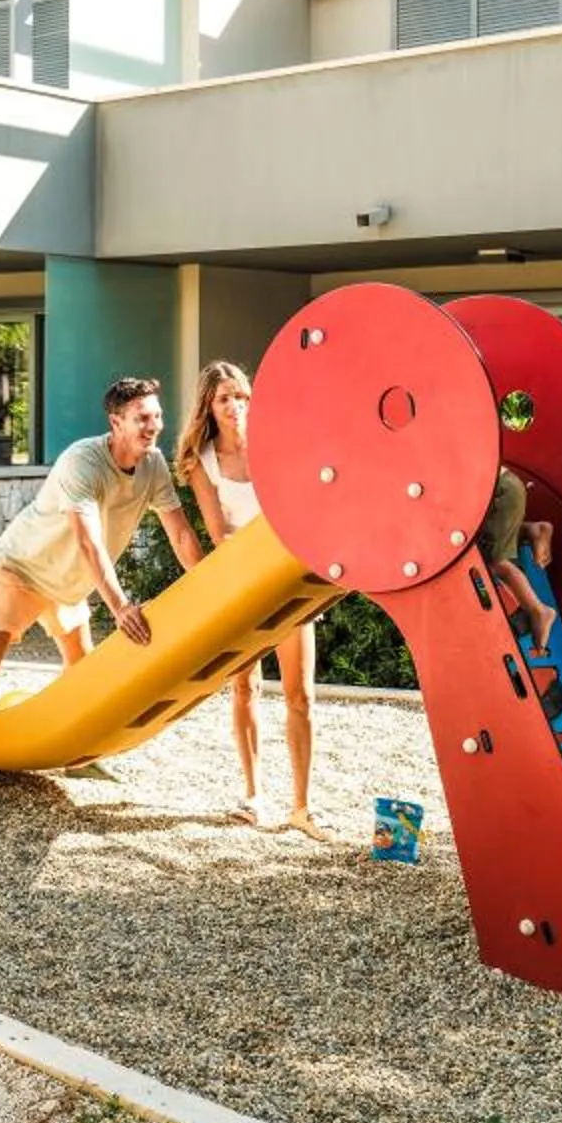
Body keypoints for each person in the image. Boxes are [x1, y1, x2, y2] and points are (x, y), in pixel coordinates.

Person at [0, 376, 202, 827]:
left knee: (83, 671)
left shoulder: (152, 466)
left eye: (157, 416)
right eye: (142, 418)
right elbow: (89, 543)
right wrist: (121, 606)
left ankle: (77, 759)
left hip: (68, 584)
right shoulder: (82, 461)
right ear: (116, 422)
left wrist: (207, 585)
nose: (154, 426)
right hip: (22, 571)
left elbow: (181, 534)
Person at [174, 359, 336, 841]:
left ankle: (302, 807)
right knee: (245, 689)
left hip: (289, 581)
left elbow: (299, 510)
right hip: (242, 585)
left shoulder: (273, 446)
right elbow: (219, 534)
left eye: (242, 396)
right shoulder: (201, 462)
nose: (236, 406)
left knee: (300, 695)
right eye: (225, 399)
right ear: (209, 406)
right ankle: (254, 797)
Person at [485, 466, 560, 654]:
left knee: (495, 560)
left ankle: (539, 611)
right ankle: (529, 530)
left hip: (498, 493)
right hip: (506, 485)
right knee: (492, 538)